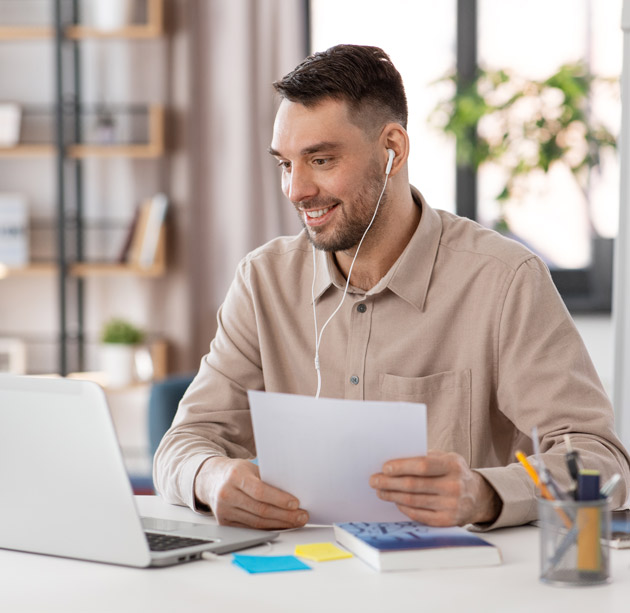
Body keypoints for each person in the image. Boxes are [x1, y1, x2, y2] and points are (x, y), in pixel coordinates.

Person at [153, 44, 630, 530]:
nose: (296, 190)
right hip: (302, 583)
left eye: (320, 160)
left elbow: (600, 459)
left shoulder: (504, 280)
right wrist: (209, 478)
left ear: (393, 151)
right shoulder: (263, 281)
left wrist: (486, 494)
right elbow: (184, 442)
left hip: (456, 587)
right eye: (285, 164)